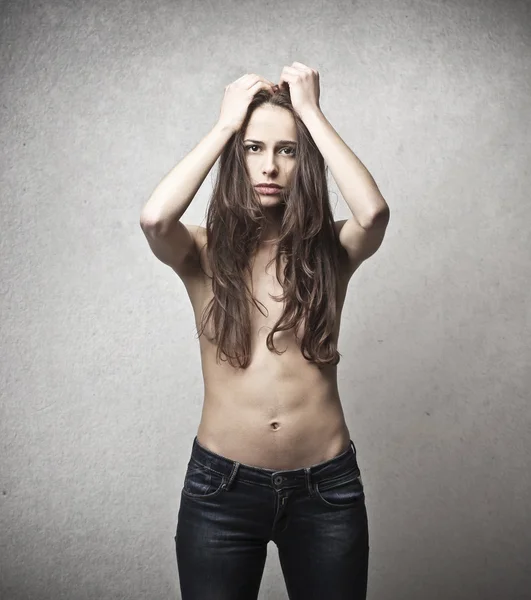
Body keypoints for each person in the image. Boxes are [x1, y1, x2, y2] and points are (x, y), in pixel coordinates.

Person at [140, 63, 390, 599]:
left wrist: (312, 114)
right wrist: (225, 127)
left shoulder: (331, 251)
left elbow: (373, 213)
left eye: (288, 150)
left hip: (326, 490)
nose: (270, 166)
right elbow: (156, 219)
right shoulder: (202, 252)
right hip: (220, 492)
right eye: (254, 149)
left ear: (305, 161)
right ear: (237, 158)